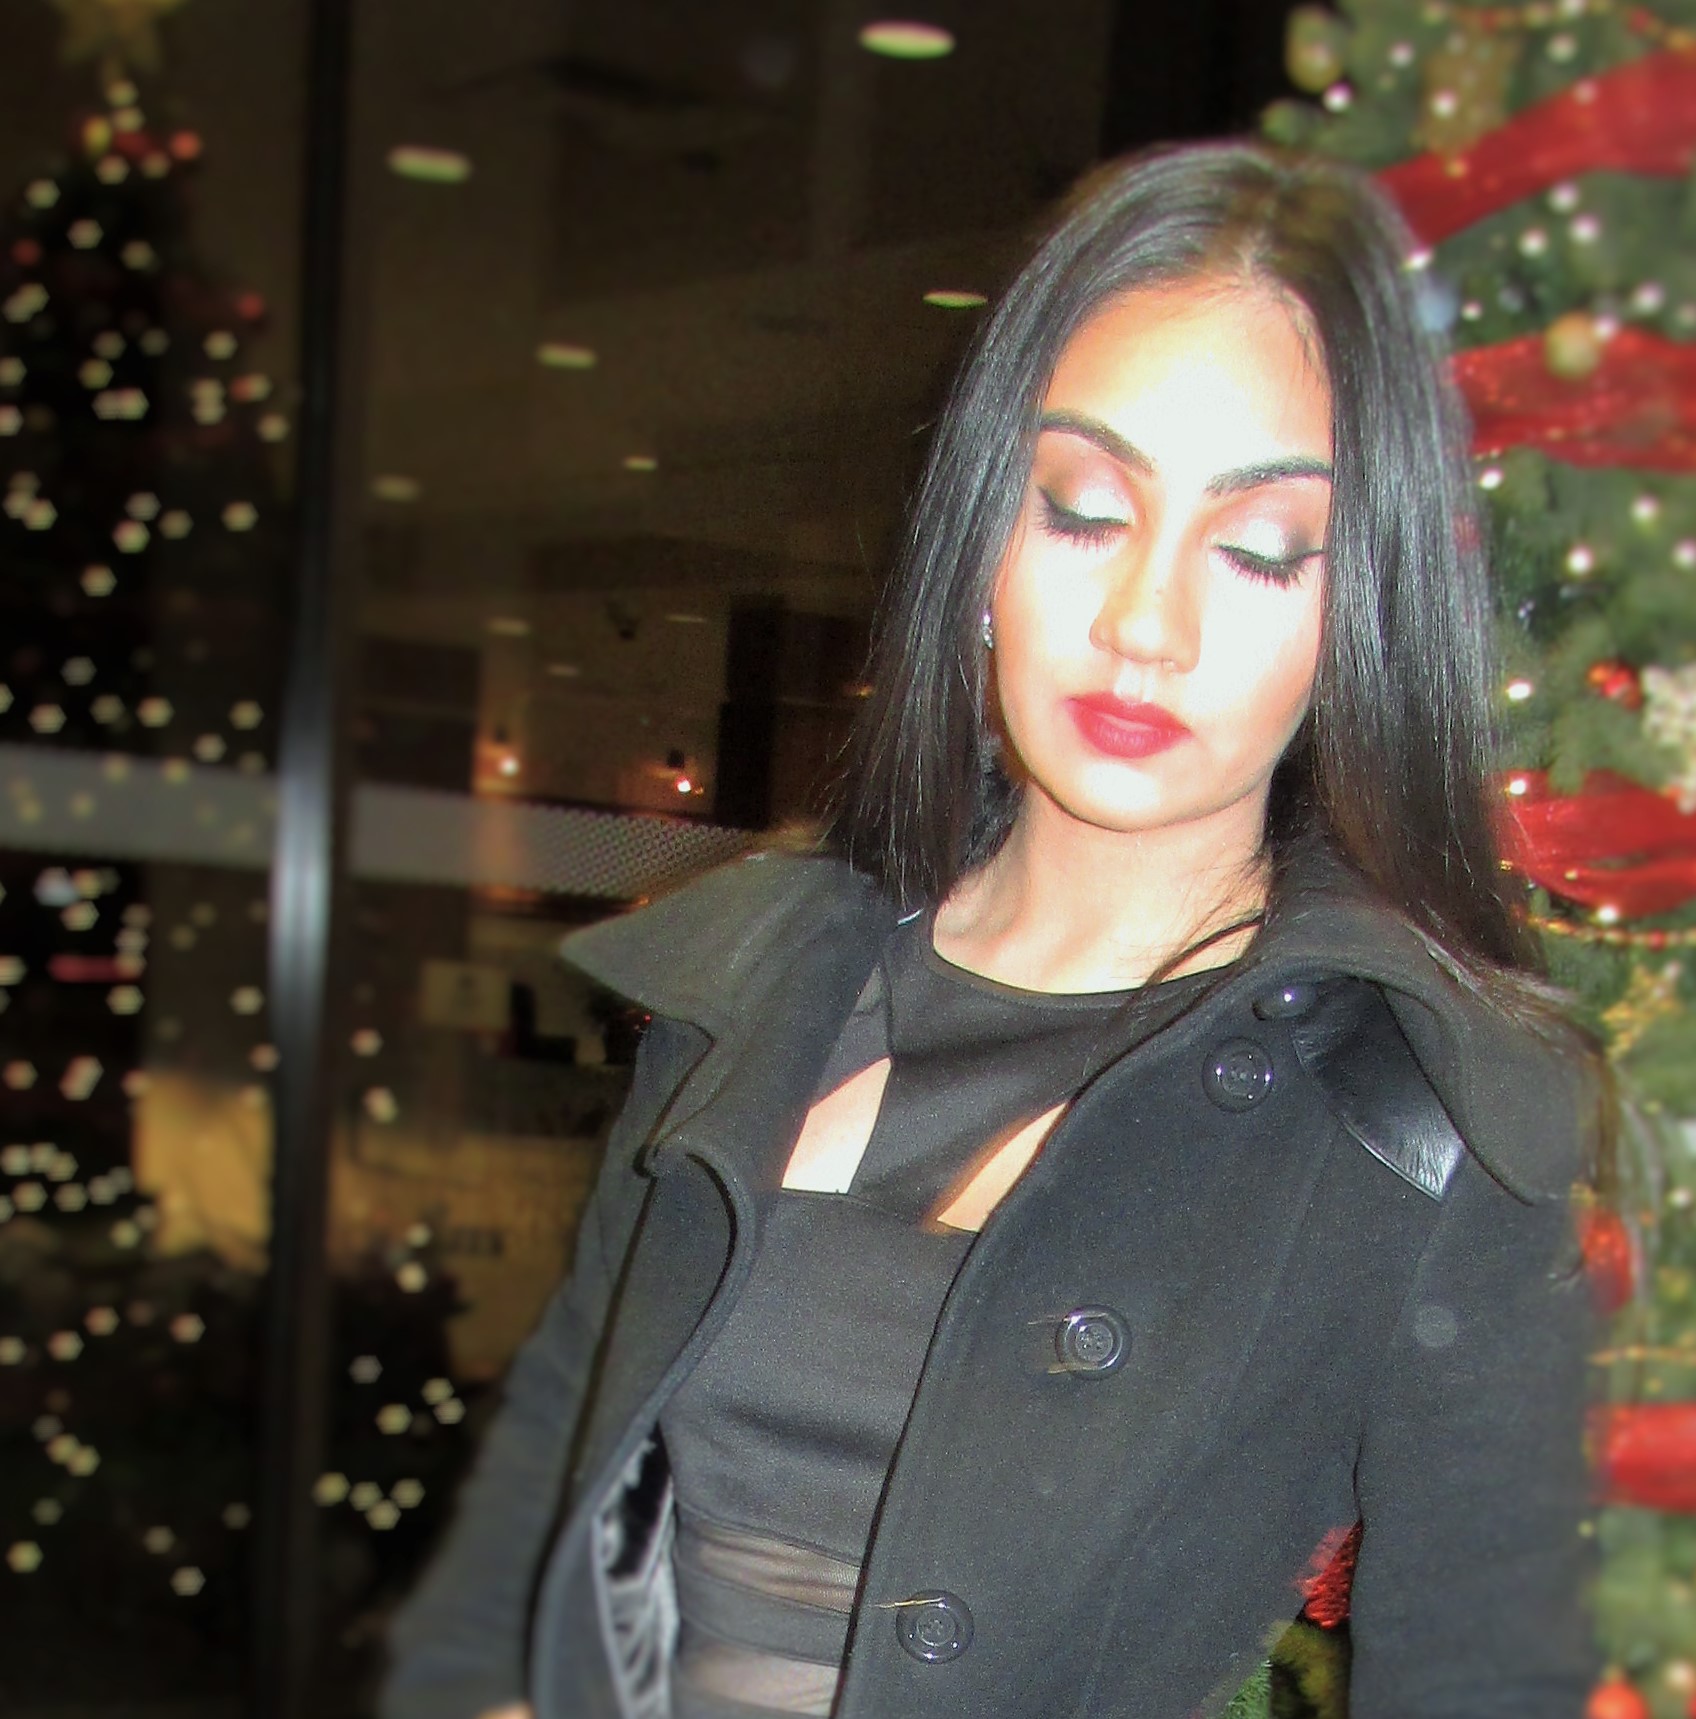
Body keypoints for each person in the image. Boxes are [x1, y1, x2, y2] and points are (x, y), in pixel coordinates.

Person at [382, 138, 1610, 1719]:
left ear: (1356, 613)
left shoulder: (1419, 1108)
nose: (1145, 624)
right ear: (983, 541)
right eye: (1085, 511)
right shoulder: (747, 983)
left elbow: (1483, 1683)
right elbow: (534, 1548)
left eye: (1255, 550)